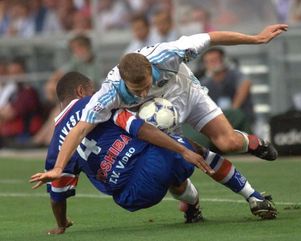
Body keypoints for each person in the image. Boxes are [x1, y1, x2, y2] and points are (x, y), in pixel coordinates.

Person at [38, 24, 287, 215]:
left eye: (146, 85)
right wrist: (59, 167)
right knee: (172, 164)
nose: (143, 93)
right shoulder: (108, 94)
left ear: (150, 69)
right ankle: (226, 200)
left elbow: (212, 38)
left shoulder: (168, 54)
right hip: (155, 114)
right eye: (136, 90)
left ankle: (253, 143)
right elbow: (79, 129)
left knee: (228, 143)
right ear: (124, 82)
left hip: (185, 91)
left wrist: (257, 38)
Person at [30, 72, 277, 234]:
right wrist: (182, 148)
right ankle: (254, 197)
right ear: (83, 91)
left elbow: (57, 195)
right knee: (191, 150)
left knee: (173, 173)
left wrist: (61, 225)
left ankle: (191, 206)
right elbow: (139, 127)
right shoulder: (96, 102)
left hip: (130, 198)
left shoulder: (55, 145)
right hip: (148, 164)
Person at [200, 47, 254, 132]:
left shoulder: (234, 74)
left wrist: (233, 111)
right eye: (208, 61)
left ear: (223, 60)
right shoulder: (205, 82)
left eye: (215, 60)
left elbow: (245, 84)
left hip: (243, 122)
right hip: (219, 126)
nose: (212, 64)